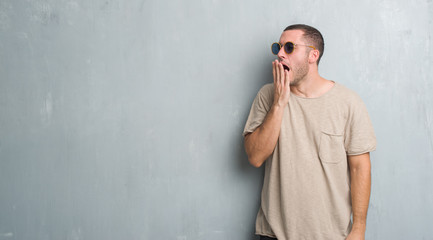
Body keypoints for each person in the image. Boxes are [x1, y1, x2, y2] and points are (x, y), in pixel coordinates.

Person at [243, 24, 376, 240]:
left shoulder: (348, 102)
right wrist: (279, 104)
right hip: (274, 234)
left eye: (289, 47)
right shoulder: (267, 95)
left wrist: (359, 229)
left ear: (313, 55)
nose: (280, 54)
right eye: (278, 47)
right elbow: (255, 157)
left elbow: (360, 168)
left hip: (331, 235)